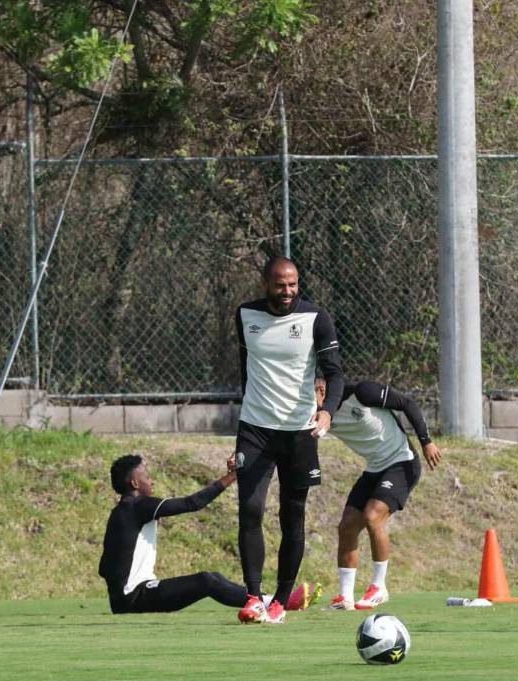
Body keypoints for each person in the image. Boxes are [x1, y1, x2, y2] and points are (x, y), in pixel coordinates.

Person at [232, 256, 344, 624]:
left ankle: (279, 601)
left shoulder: (316, 318)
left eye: (293, 284)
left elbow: (335, 373)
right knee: (250, 510)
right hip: (255, 429)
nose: (288, 291)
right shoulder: (245, 315)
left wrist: (327, 410)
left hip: (299, 431)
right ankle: (253, 597)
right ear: (265, 283)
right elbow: (247, 368)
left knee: (291, 516)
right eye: (280, 284)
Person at [315, 378, 441, 610]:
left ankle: (379, 587)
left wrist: (426, 442)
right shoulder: (314, 416)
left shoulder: (361, 393)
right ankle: (345, 598)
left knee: (373, 517)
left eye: (307, 395)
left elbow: (407, 403)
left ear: (321, 390)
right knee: (347, 526)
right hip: (375, 468)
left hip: (402, 462)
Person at [98, 454, 248, 614]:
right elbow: (192, 503)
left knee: (215, 577)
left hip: (124, 600)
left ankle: (263, 600)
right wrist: (233, 476)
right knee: (206, 581)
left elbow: (104, 568)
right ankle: (265, 603)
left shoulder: (118, 512)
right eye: (147, 477)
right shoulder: (139, 506)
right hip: (134, 597)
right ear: (135, 483)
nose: (151, 481)